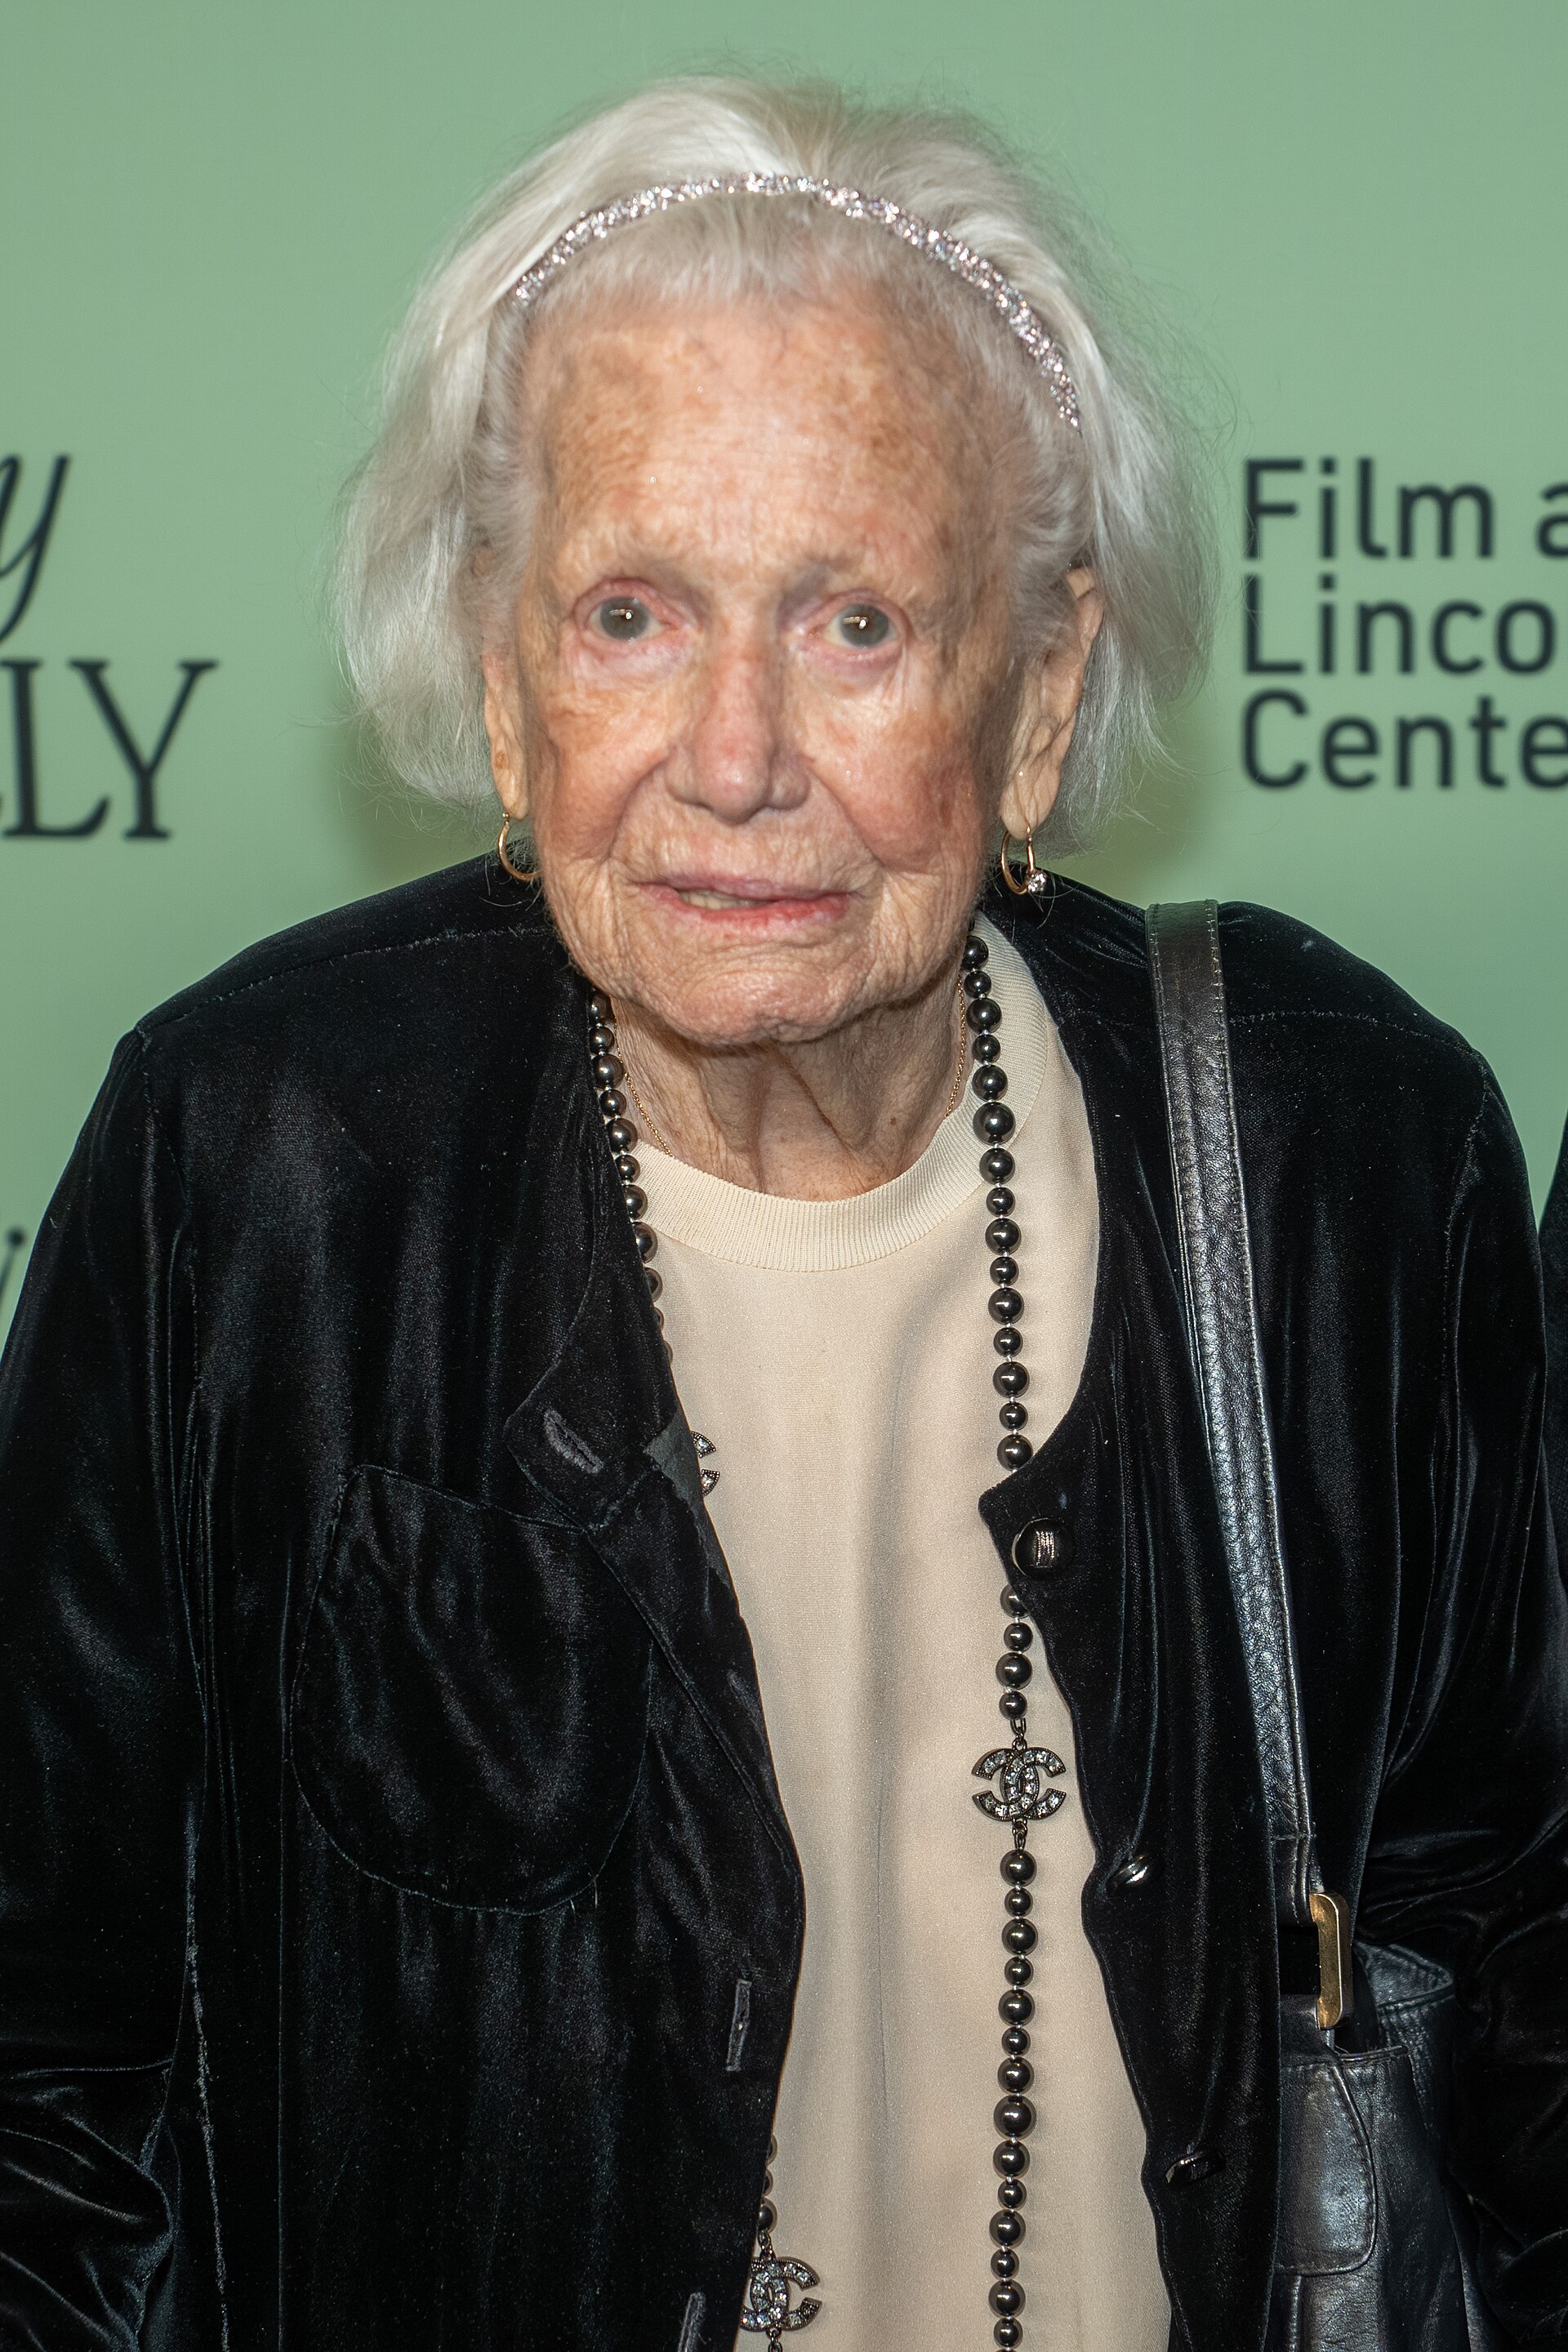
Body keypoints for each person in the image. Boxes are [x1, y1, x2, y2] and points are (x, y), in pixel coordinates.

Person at [0, 77, 1563, 2352]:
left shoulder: (1354, 1160)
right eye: (631, 613)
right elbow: (50, 2094)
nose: (733, 760)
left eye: (856, 624)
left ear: (1038, 695)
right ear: (507, 677)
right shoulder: (249, 1167)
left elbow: (1518, 1980)